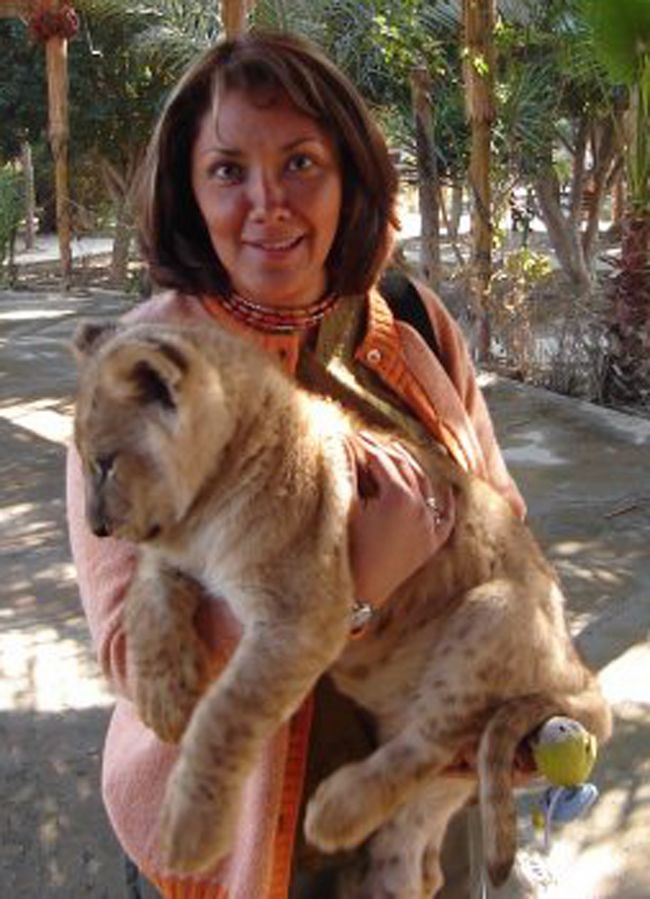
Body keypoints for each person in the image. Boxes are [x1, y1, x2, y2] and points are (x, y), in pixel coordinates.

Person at [67, 30, 529, 899]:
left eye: (301, 163)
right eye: (228, 170)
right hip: (241, 845)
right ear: (189, 190)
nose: (268, 204)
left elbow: (502, 515)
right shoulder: (141, 371)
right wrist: (353, 592)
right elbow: (143, 666)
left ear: (349, 173)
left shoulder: (411, 320)